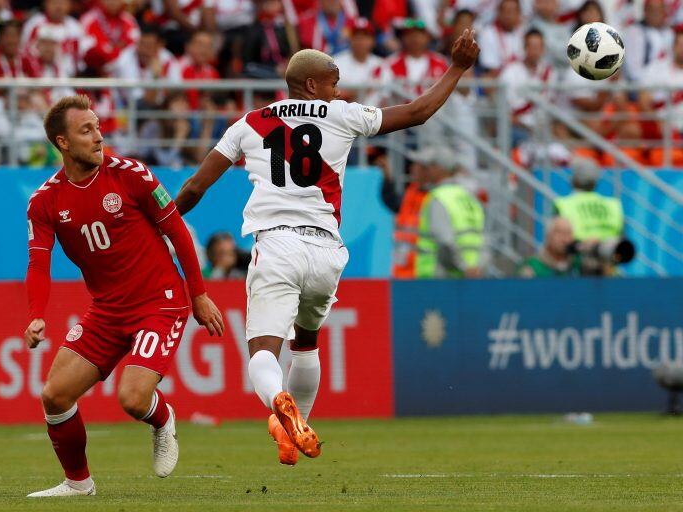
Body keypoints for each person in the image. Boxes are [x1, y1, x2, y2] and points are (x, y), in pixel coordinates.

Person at [174, 31, 479, 465]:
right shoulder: (341, 114)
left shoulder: (250, 123)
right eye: (334, 81)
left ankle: (280, 402)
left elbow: (195, 187)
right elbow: (418, 112)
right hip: (326, 252)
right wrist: (458, 67)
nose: (340, 89)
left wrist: (159, 225)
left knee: (263, 353)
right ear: (313, 85)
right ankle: (290, 434)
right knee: (308, 344)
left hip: (277, 244)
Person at [23, 95, 224, 497]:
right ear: (62, 143)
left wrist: (198, 293)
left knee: (133, 399)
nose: (99, 137)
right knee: (55, 395)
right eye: (87, 130)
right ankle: (78, 484)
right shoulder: (45, 201)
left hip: (160, 302)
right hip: (107, 310)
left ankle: (163, 417)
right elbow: (38, 263)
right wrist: (36, 314)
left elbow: (178, 233)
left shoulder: (131, 174)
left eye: (98, 127)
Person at [414, 148, 485, 278]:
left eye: (427, 166)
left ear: (439, 169)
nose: (421, 170)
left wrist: (463, 267)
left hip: (439, 279)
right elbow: (482, 239)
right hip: (469, 279)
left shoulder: (439, 198)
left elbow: (445, 241)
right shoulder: (469, 197)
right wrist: (474, 268)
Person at [378, 148, 432, 279]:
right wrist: (387, 178)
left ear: (428, 170)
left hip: (423, 274)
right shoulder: (411, 191)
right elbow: (393, 202)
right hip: (402, 273)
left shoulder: (434, 198)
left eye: (417, 165)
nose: (412, 168)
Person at [553, 157, 624, 241]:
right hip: (607, 251)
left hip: (576, 251)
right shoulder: (613, 204)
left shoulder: (563, 204)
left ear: (573, 179)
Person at [518, 217, 582, 277]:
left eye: (568, 233)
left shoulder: (579, 264)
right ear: (548, 236)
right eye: (559, 233)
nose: (565, 239)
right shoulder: (532, 267)